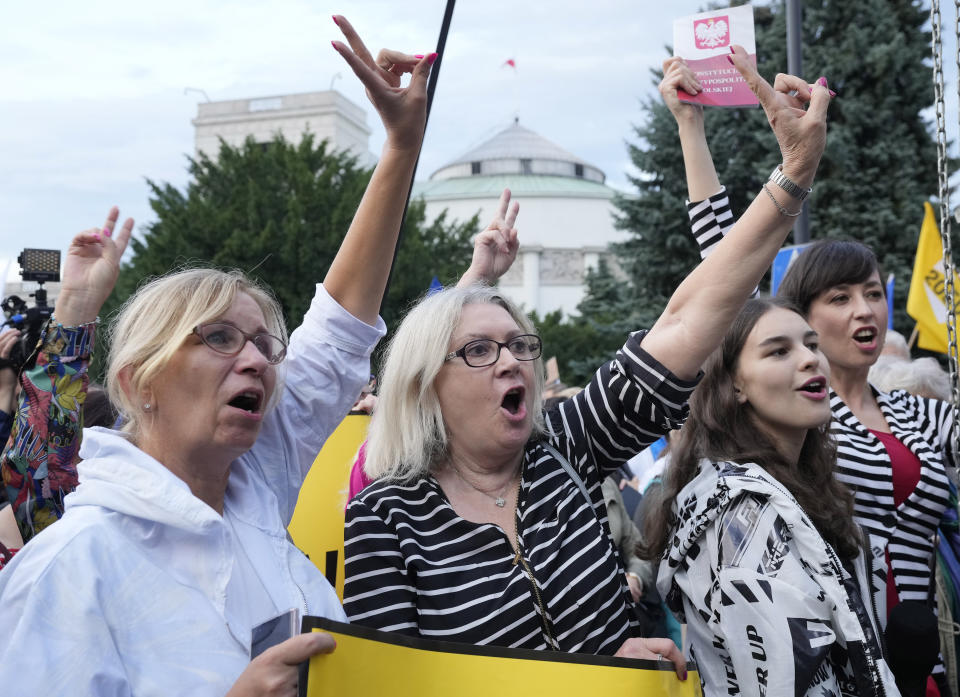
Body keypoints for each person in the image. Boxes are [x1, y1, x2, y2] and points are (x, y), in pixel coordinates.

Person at [342, 44, 831, 672]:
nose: (512, 362)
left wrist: (792, 173)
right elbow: (392, 685)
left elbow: (685, 321)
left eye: (520, 344)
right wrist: (586, 667)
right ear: (425, 385)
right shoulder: (386, 516)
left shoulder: (565, 448)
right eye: (479, 350)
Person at [0, 17, 435, 695]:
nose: (259, 361)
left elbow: (343, 323)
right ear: (138, 379)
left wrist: (402, 146)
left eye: (266, 344)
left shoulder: (256, 486)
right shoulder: (70, 564)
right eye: (220, 338)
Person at [665, 54, 953, 694]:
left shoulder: (920, 415)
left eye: (875, 294)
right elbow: (726, 257)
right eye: (841, 297)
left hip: (924, 666)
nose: (865, 310)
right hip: (833, 664)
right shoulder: (797, 420)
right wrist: (691, 127)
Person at [646, 297, 899, 697]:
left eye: (812, 345)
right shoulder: (740, 510)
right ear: (735, 384)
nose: (810, 359)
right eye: (779, 351)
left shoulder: (806, 486)